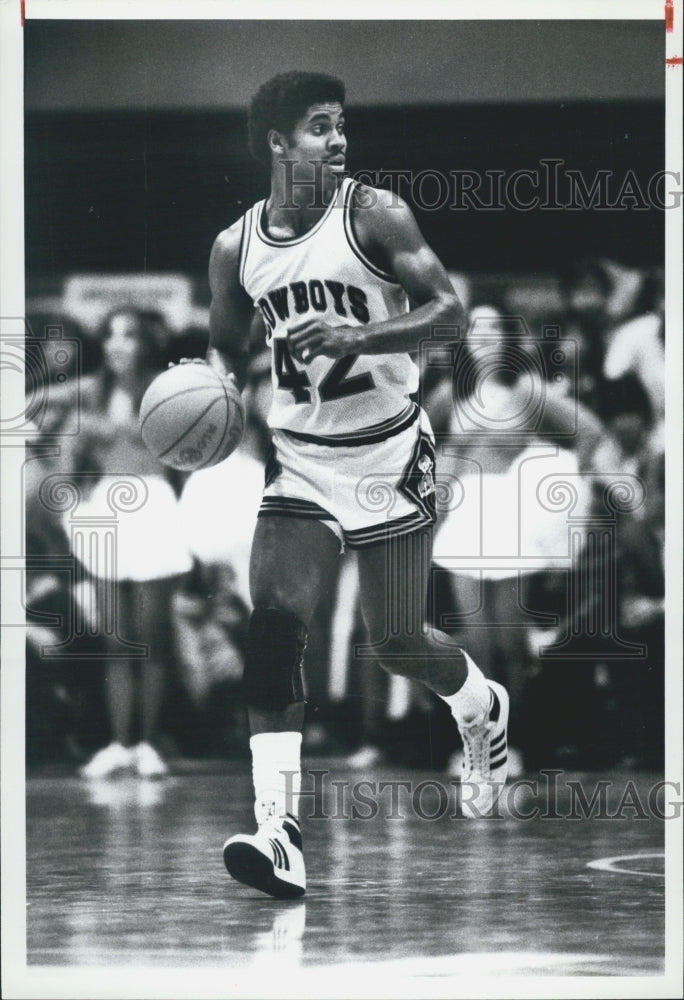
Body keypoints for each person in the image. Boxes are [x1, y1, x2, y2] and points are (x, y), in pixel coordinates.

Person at [204, 71, 509, 899]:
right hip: (300, 459)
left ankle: (480, 704)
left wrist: (359, 334)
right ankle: (280, 834)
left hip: (386, 451)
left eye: (341, 125)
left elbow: (447, 313)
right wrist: (210, 398)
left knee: (396, 640)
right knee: (274, 633)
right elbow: (224, 351)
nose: (337, 140)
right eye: (318, 127)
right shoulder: (236, 247)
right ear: (276, 142)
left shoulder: (374, 214)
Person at [48, 306, 193, 779]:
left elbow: (181, 446)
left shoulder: (167, 390)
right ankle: (118, 743)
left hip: (153, 505)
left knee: (151, 639)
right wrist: (74, 461)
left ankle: (148, 743)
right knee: (115, 639)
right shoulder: (93, 390)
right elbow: (47, 418)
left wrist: (108, 430)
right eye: (110, 335)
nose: (116, 344)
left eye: (128, 335)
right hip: (108, 509)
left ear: (147, 344)